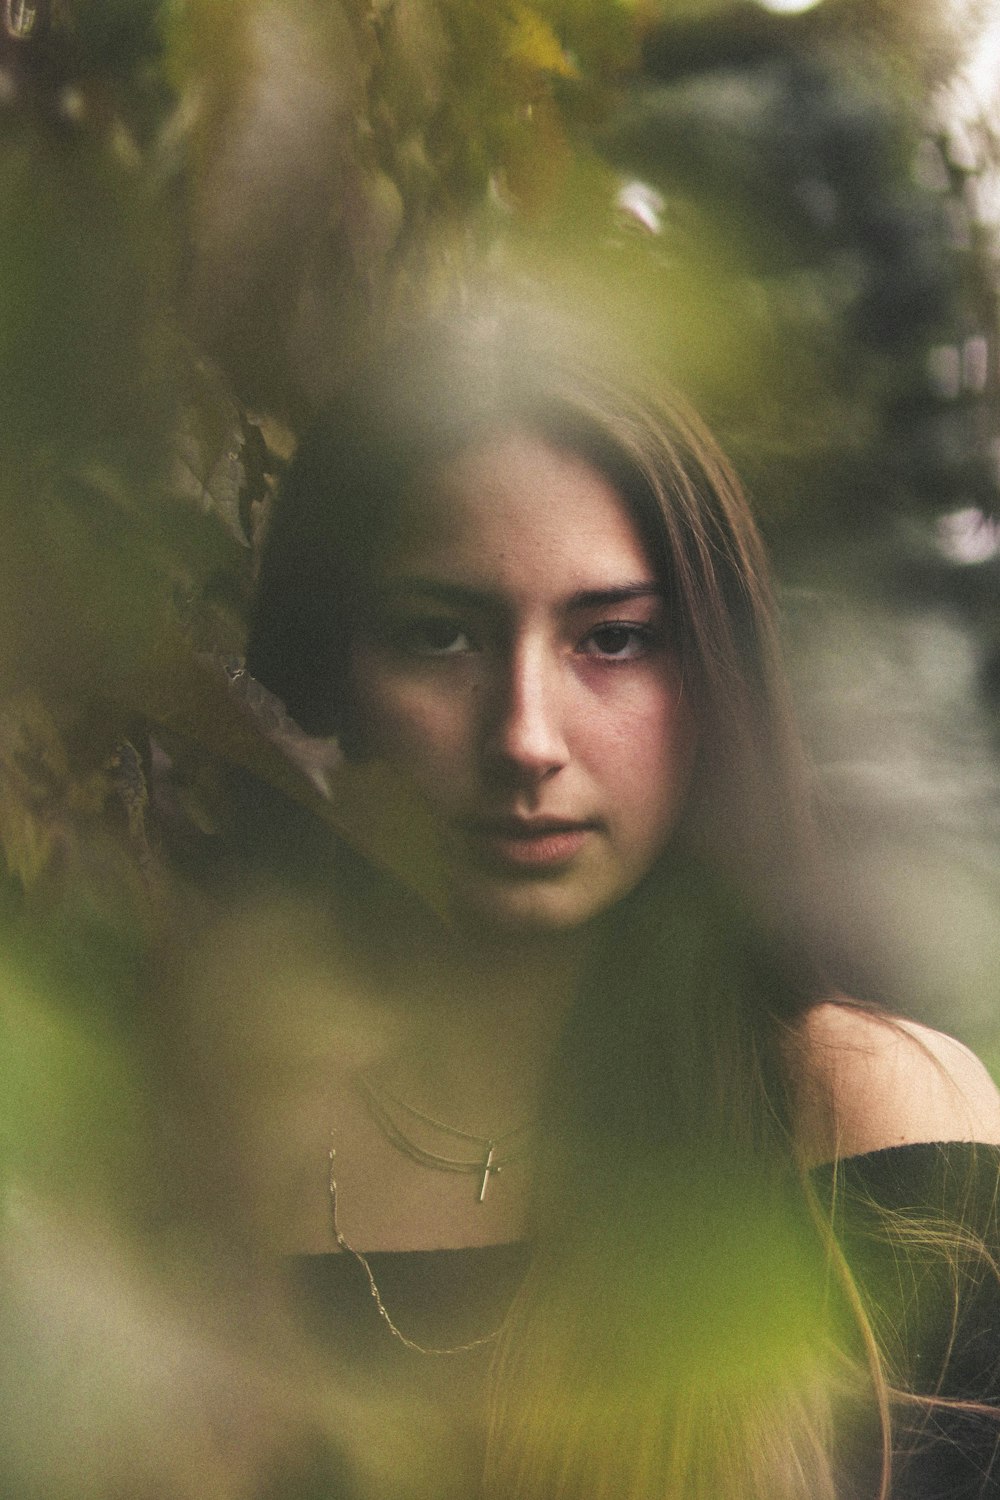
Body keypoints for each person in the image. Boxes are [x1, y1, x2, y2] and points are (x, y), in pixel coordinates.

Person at [238, 303, 1000, 1500]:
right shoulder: (211, 1157)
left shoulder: (869, 1119)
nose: (524, 738)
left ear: (711, 673)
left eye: (611, 639)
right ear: (335, 669)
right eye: (441, 637)